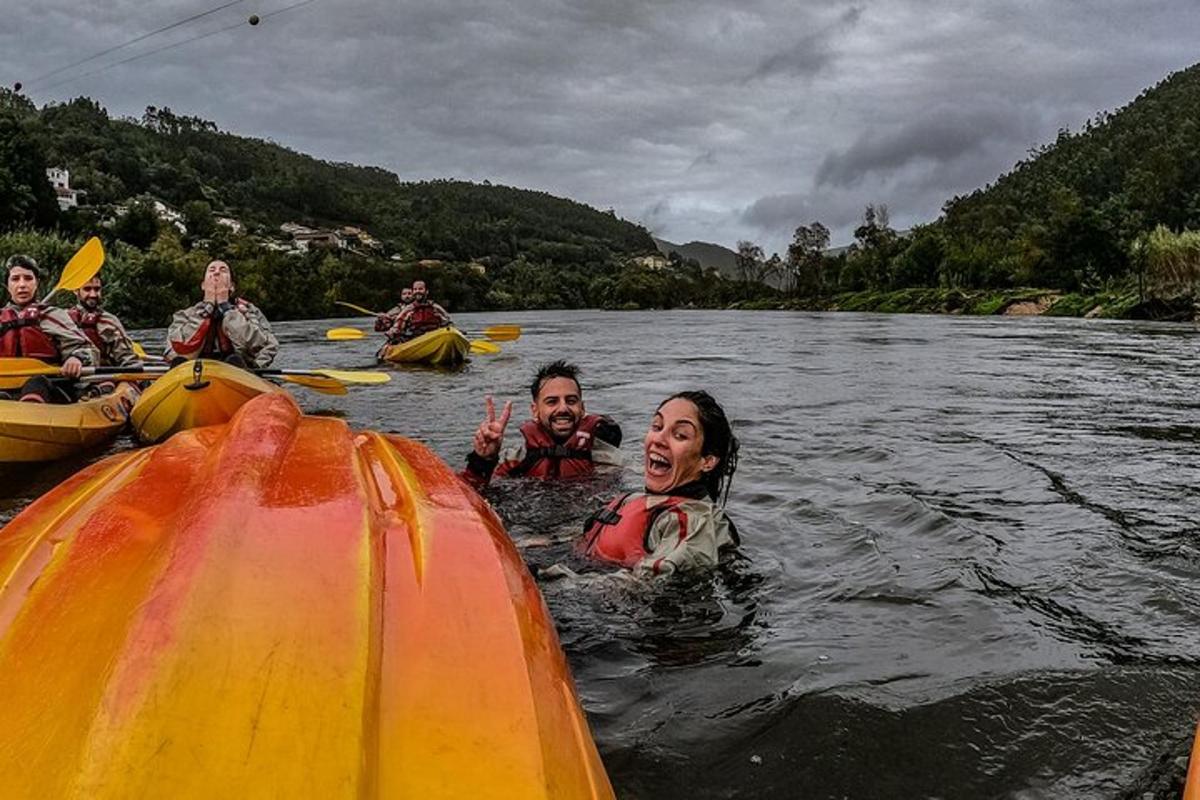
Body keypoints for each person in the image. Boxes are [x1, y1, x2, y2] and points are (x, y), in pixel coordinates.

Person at [579, 390, 740, 577]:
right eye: (657, 427)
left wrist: (556, 581)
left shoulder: (695, 521)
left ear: (707, 461)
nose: (659, 440)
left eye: (680, 435)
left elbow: (645, 584)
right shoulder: (633, 499)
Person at [462, 360, 623, 487]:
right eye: (552, 402)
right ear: (535, 411)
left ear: (582, 408)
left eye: (571, 401)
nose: (563, 408)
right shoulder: (515, 460)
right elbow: (473, 494)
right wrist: (483, 460)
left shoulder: (609, 460)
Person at [0, 254, 98, 403]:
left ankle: (29, 413)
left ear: (37, 283)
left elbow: (87, 349)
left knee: (36, 382)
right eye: (15, 279)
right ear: (7, 285)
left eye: (28, 278)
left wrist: (76, 358)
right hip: (6, 388)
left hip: (51, 387)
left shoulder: (52, 315)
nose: (22, 285)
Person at [166, 259, 278, 369]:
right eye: (211, 270)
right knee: (179, 361)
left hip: (241, 370)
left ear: (231, 286)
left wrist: (226, 309)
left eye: (223, 270)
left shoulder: (249, 311)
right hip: (191, 370)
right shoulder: (183, 315)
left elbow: (264, 346)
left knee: (235, 360)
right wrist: (206, 309)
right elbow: (174, 353)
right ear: (203, 285)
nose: (217, 273)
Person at [69, 276, 142, 368]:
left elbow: (127, 357)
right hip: (70, 376)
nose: (93, 294)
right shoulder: (63, 319)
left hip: (102, 376)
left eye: (97, 289)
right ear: (76, 291)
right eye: (87, 289)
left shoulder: (110, 321)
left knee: (111, 383)